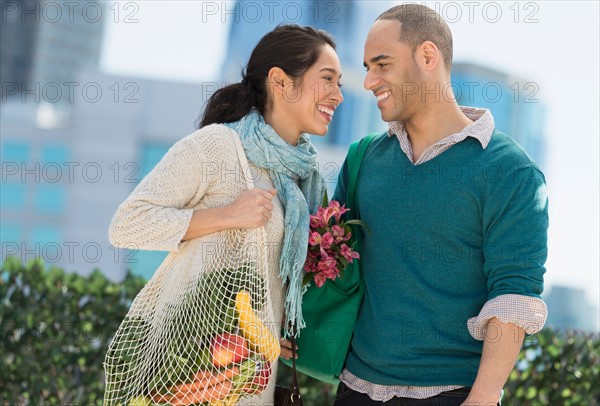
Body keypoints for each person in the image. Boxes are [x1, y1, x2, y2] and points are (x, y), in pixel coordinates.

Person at [108, 24, 343, 405]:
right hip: (190, 367)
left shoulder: (304, 180)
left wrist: (279, 322)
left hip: (250, 375)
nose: (338, 95)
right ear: (281, 82)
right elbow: (128, 223)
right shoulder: (217, 145)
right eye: (327, 79)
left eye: (340, 83)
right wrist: (227, 215)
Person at [332, 4, 548, 406]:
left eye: (381, 64)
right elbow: (331, 262)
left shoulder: (509, 171)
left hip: (451, 395)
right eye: (366, 67)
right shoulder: (363, 159)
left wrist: (483, 398)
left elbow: (513, 296)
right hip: (354, 390)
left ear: (428, 57)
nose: (368, 81)